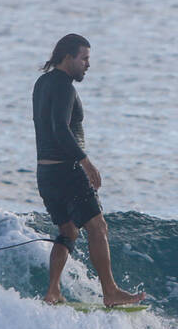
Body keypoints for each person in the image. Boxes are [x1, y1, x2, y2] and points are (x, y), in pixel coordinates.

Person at [32, 33, 144, 306]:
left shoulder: (42, 83)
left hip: (45, 174)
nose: (87, 65)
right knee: (98, 226)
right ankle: (111, 291)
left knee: (68, 231)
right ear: (67, 57)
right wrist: (85, 161)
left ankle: (53, 291)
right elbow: (60, 129)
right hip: (67, 170)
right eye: (84, 58)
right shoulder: (64, 87)